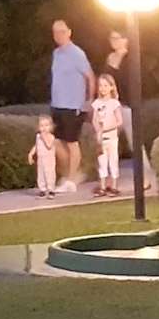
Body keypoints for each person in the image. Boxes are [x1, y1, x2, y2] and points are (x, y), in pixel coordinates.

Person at [48, 19, 94, 191]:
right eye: (55, 32)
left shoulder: (77, 54)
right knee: (55, 141)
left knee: (72, 142)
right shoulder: (56, 54)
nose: (58, 35)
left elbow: (90, 76)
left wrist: (89, 100)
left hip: (73, 105)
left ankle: (71, 180)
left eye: (62, 31)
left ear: (69, 32)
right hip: (57, 104)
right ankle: (72, 174)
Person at [89, 76, 127, 198]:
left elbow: (119, 121)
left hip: (112, 138)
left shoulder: (114, 103)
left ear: (111, 87)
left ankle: (114, 186)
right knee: (102, 162)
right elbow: (94, 120)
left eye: (106, 85)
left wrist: (107, 127)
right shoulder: (96, 104)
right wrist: (98, 130)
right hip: (101, 139)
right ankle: (103, 186)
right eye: (100, 85)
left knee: (113, 161)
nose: (103, 88)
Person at [29, 113, 65, 199]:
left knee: (49, 173)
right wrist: (31, 154)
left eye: (46, 125)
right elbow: (36, 146)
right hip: (41, 159)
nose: (44, 128)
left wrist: (44, 137)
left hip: (49, 159)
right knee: (41, 174)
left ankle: (51, 189)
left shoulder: (51, 137)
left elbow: (49, 146)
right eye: (41, 126)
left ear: (50, 127)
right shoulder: (38, 136)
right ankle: (42, 189)